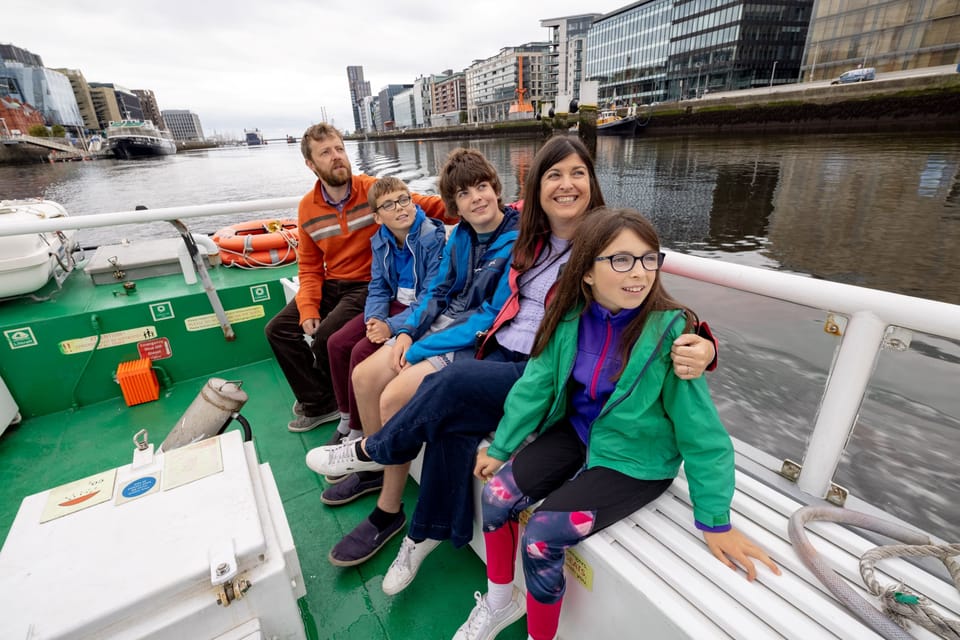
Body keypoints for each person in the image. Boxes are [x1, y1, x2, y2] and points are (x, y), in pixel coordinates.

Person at [306, 136, 717, 592]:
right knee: (449, 421)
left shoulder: (604, 238)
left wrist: (704, 343)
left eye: (577, 173)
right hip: (503, 356)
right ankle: (423, 535)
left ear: (592, 181)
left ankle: (375, 451)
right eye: (553, 175)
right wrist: (415, 333)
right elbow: (483, 253)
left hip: (552, 376)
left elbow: (650, 296)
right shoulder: (529, 238)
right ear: (536, 188)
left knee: (451, 381)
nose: (566, 185)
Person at [453, 208, 780, 640]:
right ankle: (500, 601)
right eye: (621, 260)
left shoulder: (672, 334)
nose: (640, 273)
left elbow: (703, 434)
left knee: (543, 534)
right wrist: (500, 448)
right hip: (579, 434)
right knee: (496, 497)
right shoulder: (568, 317)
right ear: (586, 271)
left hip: (635, 459)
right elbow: (534, 386)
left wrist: (715, 519)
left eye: (649, 259)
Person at [306, 147, 521, 566]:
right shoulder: (460, 235)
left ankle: (389, 511)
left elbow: (491, 316)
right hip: (437, 330)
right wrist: (405, 331)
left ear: (496, 189)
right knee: (365, 377)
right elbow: (438, 292)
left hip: (472, 341)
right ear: (453, 203)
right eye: (463, 193)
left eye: (481, 187)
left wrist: (418, 345)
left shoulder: (515, 240)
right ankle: (374, 470)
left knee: (392, 397)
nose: (476, 198)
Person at [264, 123, 447, 433]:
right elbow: (309, 266)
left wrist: (486, 209)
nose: (337, 157)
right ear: (311, 164)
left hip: (366, 285)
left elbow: (425, 205)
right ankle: (321, 402)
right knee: (277, 330)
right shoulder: (308, 208)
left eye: (339, 149)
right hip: (330, 283)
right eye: (326, 152)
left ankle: (338, 400)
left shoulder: (372, 190)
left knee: (327, 338)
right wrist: (308, 307)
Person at [319, 176, 447, 500]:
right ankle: (352, 424)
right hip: (393, 307)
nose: (400, 208)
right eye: (388, 204)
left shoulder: (432, 237)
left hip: (416, 312)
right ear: (377, 216)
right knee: (336, 342)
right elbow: (378, 286)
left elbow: (432, 294)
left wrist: (391, 326)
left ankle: (367, 445)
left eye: (404, 199)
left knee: (362, 352)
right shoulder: (380, 240)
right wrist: (375, 318)